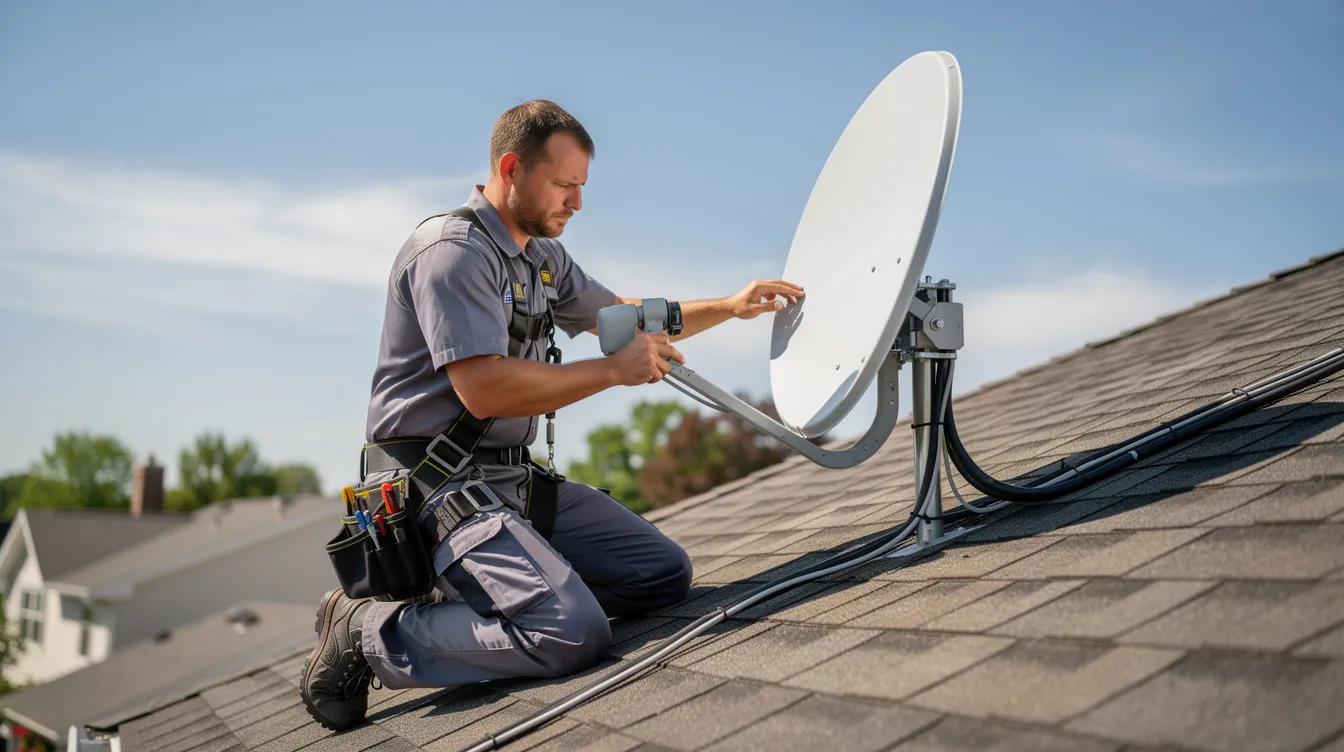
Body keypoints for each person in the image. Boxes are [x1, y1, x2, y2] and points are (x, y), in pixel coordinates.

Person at [300, 100, 804, 732]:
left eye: (582, 187)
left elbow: (619, 317)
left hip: (506, 485)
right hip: (436, 491)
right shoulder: (452, 252)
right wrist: (613, 373)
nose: (577, 202)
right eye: (564, 185)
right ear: (512, 168)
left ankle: (495, 590)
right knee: (569, 632)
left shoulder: (541, 256)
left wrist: (731, 306)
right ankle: (367, 630)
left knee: (661, 574)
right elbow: (484, 389)